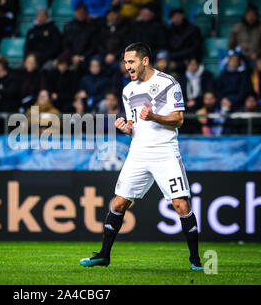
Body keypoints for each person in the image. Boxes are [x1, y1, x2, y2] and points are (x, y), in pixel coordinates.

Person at [79, 42, 203, 271]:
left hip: (165, 152)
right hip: (138, 153)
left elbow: (178, 119)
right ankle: (104, 255)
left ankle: (195, 259)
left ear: (145, 60)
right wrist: (126, 128)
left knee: (181, 205)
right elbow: (135, 125)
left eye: (131, 61)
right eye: (125, 62)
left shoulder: (168, 83)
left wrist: (154, 116)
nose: (127, 67)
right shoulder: (128, 90)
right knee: (118, 202)